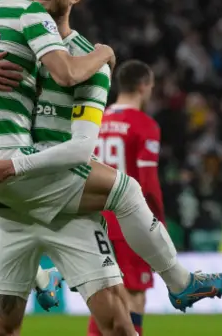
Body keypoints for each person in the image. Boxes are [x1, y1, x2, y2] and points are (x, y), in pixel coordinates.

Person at [0, 0, 222, 336]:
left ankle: (50, 277)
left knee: (116, 326)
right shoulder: (11, 43)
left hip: (57, 194)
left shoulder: (89, 66)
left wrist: (100, 55)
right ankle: (173, 282)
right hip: (13, 195)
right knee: (3, 330)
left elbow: (80, 148)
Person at [88, 60, 163, 336]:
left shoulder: (96, 122)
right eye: (151, 87)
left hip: (95, 222)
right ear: (143, 86)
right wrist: (158, 224)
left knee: (103, 296)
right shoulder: (145, 126)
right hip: (129, 222)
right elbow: (149, 185)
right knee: (134, 295)